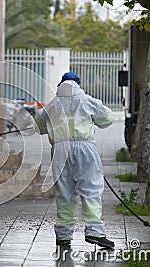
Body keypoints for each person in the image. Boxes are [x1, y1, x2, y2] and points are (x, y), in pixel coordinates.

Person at [34, 71, 115, 249]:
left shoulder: (52, 105)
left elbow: (38, 125)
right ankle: (95, 231)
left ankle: (63, 234)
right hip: (84, 147)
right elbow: (107, 118)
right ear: (78, 83)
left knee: (64, 191)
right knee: (91, 188)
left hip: (59, 149)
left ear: (60, 84)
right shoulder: (86, 100)